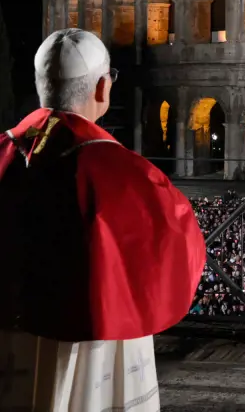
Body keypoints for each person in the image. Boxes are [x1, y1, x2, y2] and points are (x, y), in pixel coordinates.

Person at [0, 28, 206, 410]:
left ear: (40, 84)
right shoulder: (127, 175)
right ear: (101, 88)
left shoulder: (3, 153)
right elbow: (182, 249)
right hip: (93, 349)